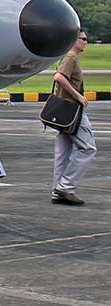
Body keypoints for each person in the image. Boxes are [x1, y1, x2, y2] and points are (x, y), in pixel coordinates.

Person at [50, 30, 95, 206]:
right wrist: (79, 96)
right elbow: (59, 77)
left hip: (64, 110)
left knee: (63, 151)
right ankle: (66, 187)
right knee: (88, 148)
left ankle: (57, 190)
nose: (86, 42)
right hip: (71, 109)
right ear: (73, 40)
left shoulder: (69, 57)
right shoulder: (70, 57)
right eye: (83, 39)